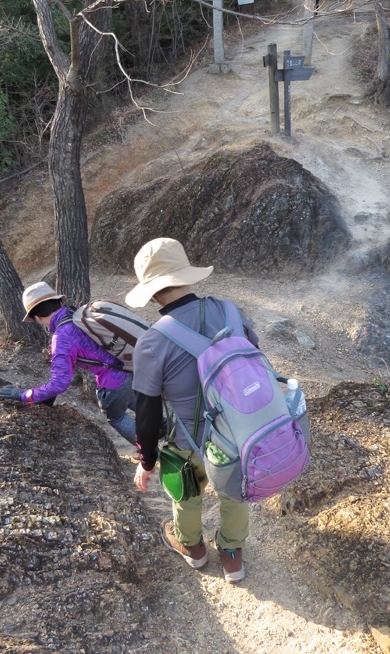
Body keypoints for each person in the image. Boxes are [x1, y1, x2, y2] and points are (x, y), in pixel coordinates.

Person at [126, 238, 259, 583]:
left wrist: (147, 460)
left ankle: (193, 549)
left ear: (153, 293)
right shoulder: (230, 310)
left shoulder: (152, 342)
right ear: (187, 276)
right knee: (235, 488)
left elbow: (147, 411)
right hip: (239, 426)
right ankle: (232, 555)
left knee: (185, 486)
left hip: (189, 433)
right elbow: (253, 360)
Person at [0, 282, 138, 445]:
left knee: (116, 417)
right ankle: (172, 439)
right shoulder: (77, 313)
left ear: (38, 317)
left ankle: (151, 452)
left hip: (113, 381)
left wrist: (23, 395)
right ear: (59, 302)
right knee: (142, 407)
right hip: (129, 366)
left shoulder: (62, 337)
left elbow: (59, 383)